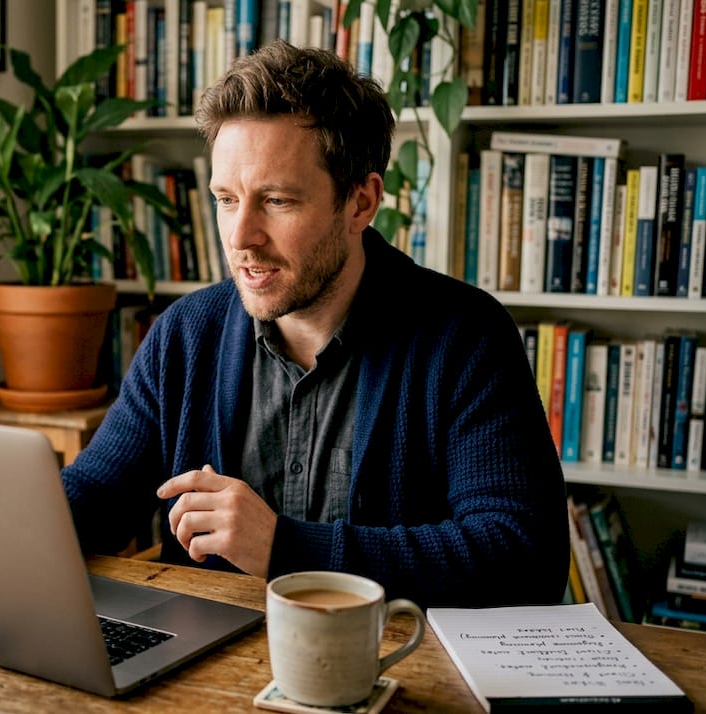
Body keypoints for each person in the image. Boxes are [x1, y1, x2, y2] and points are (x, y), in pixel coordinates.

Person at [62, 40, 568, 607]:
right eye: (227, 200)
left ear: (360, 203)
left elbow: (522, 556)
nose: (240, 237)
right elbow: (95, 497)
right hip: (202, 672)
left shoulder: (466, 337)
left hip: (398, 670)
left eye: (276, 201)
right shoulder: (183, 335)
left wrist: (283, 547)